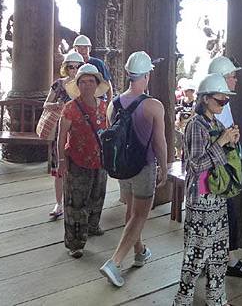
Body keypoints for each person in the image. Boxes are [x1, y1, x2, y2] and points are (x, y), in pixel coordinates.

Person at [99, 51, 168, 287]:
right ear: (147, 75)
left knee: (131, 210)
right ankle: (115, 262)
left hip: (122, 167)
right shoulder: (153, 106)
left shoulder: (114, 103)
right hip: (143, 167)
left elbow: (112, 135)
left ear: (128, 74)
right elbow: (160, 142)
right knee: (140, 214)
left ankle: (140, 251)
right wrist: (164, 167)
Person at [174, 73, 239, 306]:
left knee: (219, 253)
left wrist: (232, 142)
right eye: (220, 100)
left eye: (226, 101)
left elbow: (222, 157)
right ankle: (182, 300)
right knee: (196, 254)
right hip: (200, 199)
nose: (224, 104)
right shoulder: (194, 125)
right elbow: (196, 165)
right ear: (205, 99)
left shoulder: (216, 123)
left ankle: (216, 299)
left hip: (217, 195)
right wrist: (221, 143)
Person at [207, 56, 242, 278]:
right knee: (224, 216)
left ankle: (213, 259)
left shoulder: (222, 104)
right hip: (218, 173)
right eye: (232, 76)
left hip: (222, 171)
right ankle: (227, 261)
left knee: (221, 216)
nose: (236, 80)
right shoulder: (213, 109)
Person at [57, 64, 110, 258]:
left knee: (97, 196)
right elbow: (61, 136)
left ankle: (93, 226)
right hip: (77, 161)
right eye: (83, 81)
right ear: (77, 85)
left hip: (100, 161)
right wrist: (61, 160)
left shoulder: (104, 107)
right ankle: (75, 243)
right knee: (75, 203)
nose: (87, 85)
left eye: (91, 81)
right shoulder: (70, 108)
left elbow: (109, 132)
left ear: (97, 84)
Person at [43, 50, 83, 219]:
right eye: (71, 66)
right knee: (59, 169)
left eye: (78, 67)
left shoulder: (85, 85)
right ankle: (59, 203)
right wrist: (56, 105)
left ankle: (78, 204)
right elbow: (46, 104)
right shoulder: (58, 84)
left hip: (79, 133)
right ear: (66, 67)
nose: (74, 70)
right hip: (61, 130)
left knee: (79, 168)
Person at [73, 35, 113, 99]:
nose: (83, 50)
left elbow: (107, 84)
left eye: (85, 47)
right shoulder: (72, 65)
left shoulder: (98, 63)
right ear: (75, 49)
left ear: (90, 49)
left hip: (98, 99)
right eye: (80, 47)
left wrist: (109, 102)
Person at [175, 78, 196, 161]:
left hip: (189, 125)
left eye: (187, 91)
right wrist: (178, 120)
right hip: (180, 125)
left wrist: (185, 122)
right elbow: (178, 112)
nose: (185, 92)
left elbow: (193, 114)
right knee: (179, 142)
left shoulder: (195, 102)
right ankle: (179, 157)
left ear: (192, 91)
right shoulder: (181, 101)